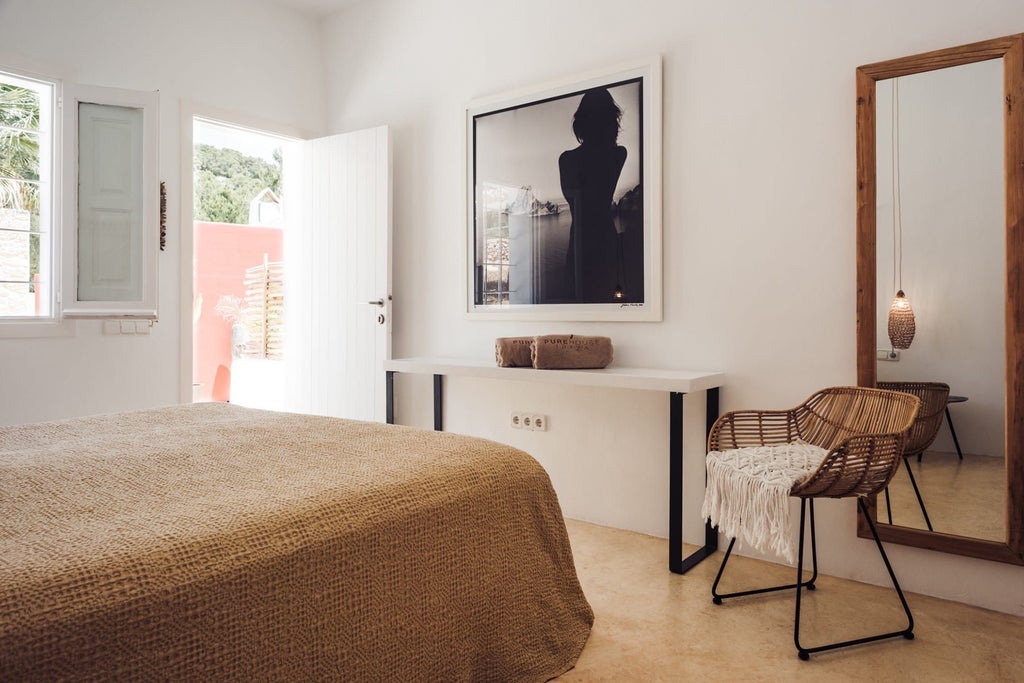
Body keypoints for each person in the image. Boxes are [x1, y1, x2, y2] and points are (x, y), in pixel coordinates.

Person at [559, 87, 627, 303]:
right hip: (607, 239)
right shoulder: (619, 155)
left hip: (580, 243)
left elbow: (575, 201)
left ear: (581, 122)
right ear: (612, 121)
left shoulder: (567, 160)